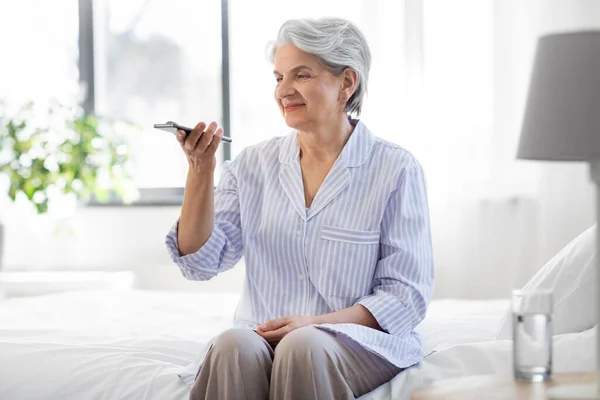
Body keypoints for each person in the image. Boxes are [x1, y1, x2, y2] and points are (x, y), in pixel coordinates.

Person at [165, 17, 434, 400]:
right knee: (231, 344)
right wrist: (199, 169)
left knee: (303, 346)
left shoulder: (395, 169)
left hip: (353, 340)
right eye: (278, 78)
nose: (283, 91)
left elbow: (405, 297)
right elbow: (200, 263)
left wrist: (315, 324)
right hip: (262, 334)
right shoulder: (251, 165)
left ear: (346, 83)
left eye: (302, 75)